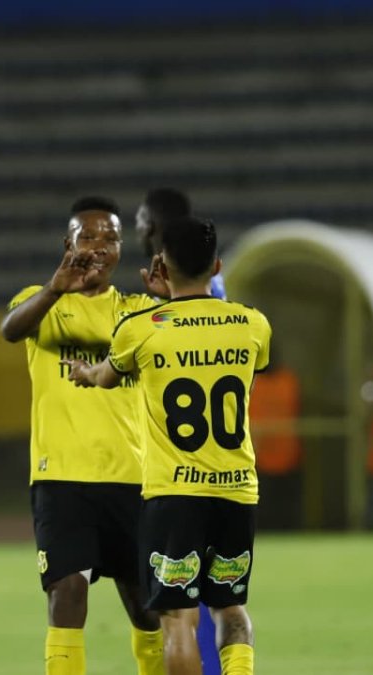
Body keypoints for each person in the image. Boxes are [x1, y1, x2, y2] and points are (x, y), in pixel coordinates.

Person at [66, 215, 271, 675]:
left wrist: (84, 373)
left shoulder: (140, 329)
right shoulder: (253, 325)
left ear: (160, 265)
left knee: (177, 619)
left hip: (174, 496)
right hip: (237, 491)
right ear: (216, 265)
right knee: (231, 610)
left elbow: (105, 374)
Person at [0, 196, 167, 675]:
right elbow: (10, 330)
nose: (99, 246)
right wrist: (56, 287)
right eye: (87, 236)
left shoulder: (137, 310)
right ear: (67, 244)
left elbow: (182, 338)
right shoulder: (41, 302)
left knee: (146, 608)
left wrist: (170, 302)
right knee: (67, 592)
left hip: (133, 477)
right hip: (62, 478)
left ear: (121, 248)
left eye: (110, 237)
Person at [137, 186, 223, 673]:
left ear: (156, 228)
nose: (137, 231)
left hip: (175, 473)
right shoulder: (223, 300)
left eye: (141, 221)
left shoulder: (166, 310)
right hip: (225, 469)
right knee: (223, 599)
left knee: (177, 608)